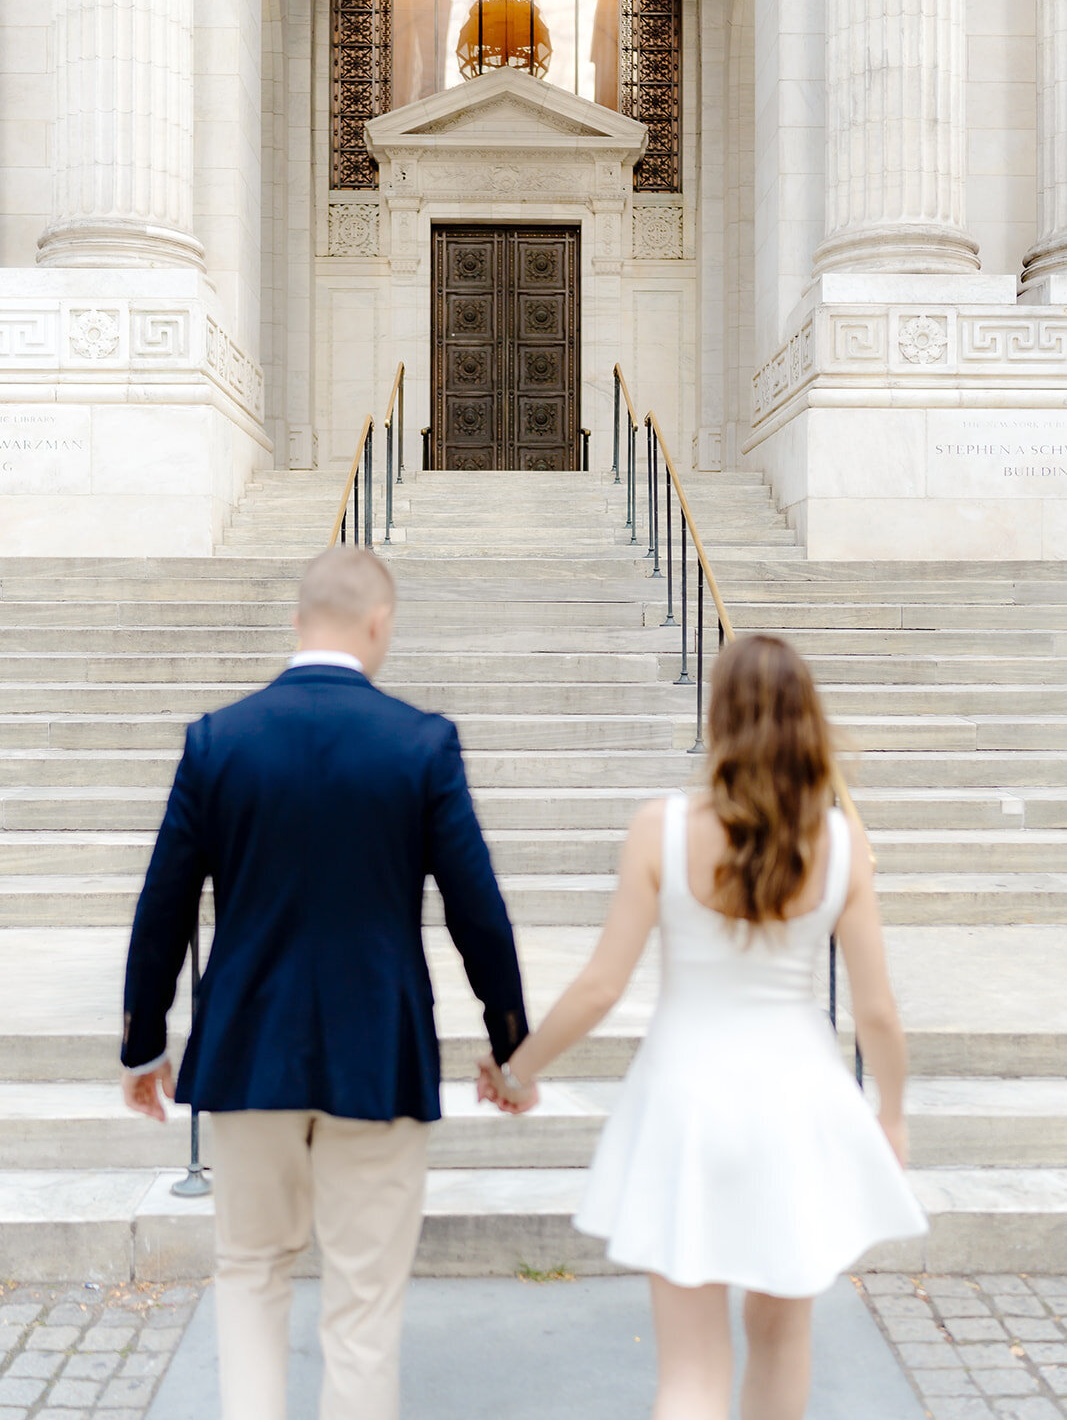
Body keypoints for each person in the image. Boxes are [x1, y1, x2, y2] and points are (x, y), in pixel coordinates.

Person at [121, 546, 532, 1420]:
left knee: (249, 1272)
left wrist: (142, 1042)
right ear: (378, 623)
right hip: (375, 1056)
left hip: (247, 1048)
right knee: (363, 1300)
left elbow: (162, 905)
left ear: (297, 621)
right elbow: (478, 914)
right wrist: (510, 1044)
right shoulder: (420, 744)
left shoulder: (217, 740)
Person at [479, 632, 927, 1420]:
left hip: (685, 1103)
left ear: (717, 715)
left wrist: (519, 1072)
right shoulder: (839, 844)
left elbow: (599, 987)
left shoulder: (661, 828)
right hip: (797, 1104)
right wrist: (889, 1115)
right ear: (806, 720)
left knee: (689, 1372)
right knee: (782, 1341)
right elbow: (877, 1011)